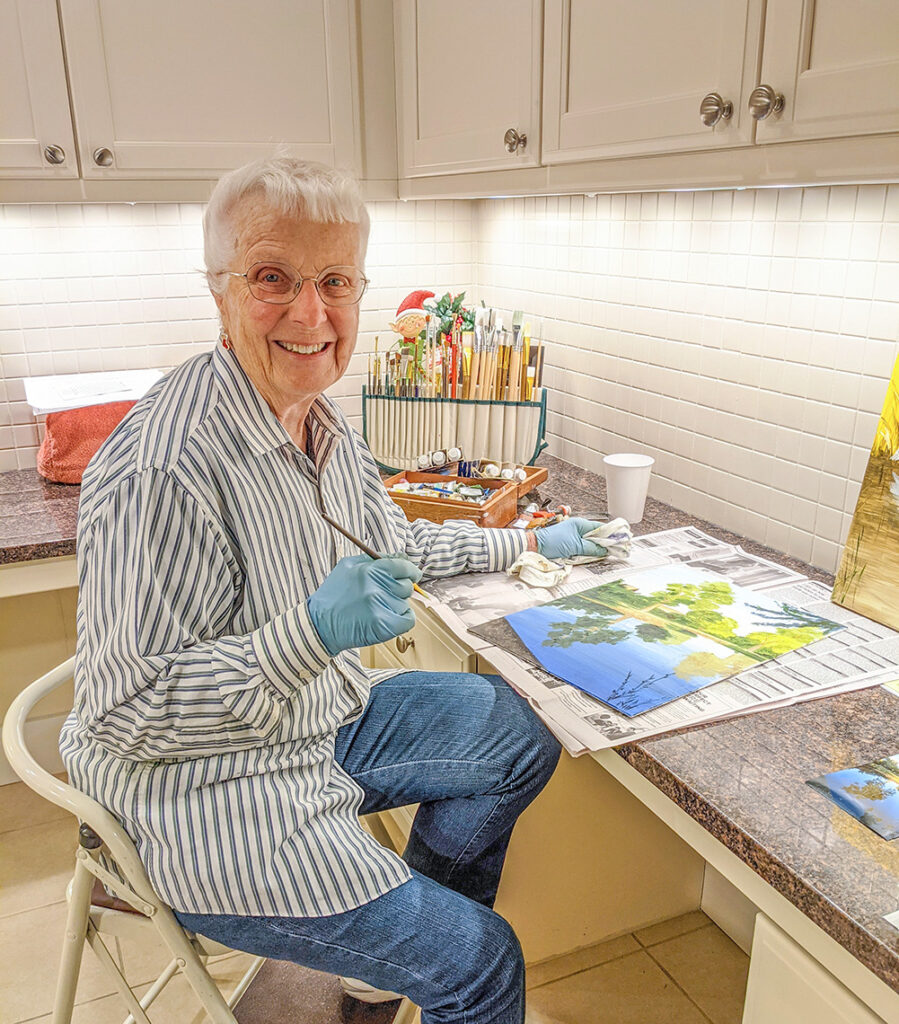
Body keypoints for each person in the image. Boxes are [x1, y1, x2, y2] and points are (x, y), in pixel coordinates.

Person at [59, 156, 605, 1024]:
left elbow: (389, 542)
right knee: (482, 963)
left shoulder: (314, 417)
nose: (311, 315)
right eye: (273, 278)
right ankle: (433, 956)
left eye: (335, 282)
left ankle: (383, 962)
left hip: (313, 720)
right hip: (199, 792)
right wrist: (309, 633)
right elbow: (129, 714)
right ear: (219, 290)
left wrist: (527, 537)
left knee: (516, 730)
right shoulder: (163, 466)